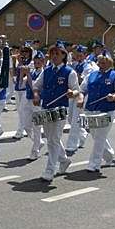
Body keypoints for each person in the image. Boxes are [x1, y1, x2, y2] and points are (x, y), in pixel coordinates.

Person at [32, 43, 79, 182]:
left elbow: (76, 89)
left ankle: (50, 170)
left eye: (57, 53)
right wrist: (36, 95)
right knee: (51, 138)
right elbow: (36, 86)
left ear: (64, 55)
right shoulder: (46, 71)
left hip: (60, 109)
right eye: (52, 53)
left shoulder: (69, 72)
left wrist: (72, 93)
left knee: (54, 139)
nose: (54, 56)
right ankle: (64, 160)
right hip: (46, 107)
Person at [78, 53, 115, 172]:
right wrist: (81, 98)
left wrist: (113, 96)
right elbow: (82, 89)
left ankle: (94, 164)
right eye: (99, 62)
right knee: (95, 135)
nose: (100, 65)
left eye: (103, 62)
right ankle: (109, 155)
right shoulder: (91, 75)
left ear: (109, 63)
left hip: (106, 111)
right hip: (91, 109)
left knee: (99, 137)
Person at [66, 44, 97, 153]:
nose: (78, 56)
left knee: (75, 119)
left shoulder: (88, 66)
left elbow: (82, 80)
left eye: (80, 55)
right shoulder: (74, 64)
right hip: (72, 92)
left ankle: (72, 144)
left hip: (81, 94)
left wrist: (75, 76)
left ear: (85, 55)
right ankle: (83, 134)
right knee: (70, 118)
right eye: (77, 54)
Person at [23, 50, 46, 160]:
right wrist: (22, 74)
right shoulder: (32, 72)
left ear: (43, 63)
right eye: (35, 62)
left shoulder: (43, 74)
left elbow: (34, 87)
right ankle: (39, 142)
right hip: (28, 100)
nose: (36, 64)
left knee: (37, 127)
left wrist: (27, 74)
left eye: (38, 62)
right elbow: (20, 83)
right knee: (26, 125)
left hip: (37, 102)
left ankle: (35, 151)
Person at [13, 44, 33, 138]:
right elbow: (14, 73)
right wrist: (14, 62)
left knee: (22, 109)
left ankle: (20, 131)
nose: (24, 53)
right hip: (17, 87)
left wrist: (20, 63)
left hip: (26, 88)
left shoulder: (32, 62)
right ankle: (24, 128)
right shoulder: (18, 61)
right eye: (23, 51)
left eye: (26, 51)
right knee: (19, 110)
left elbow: (25, 73)